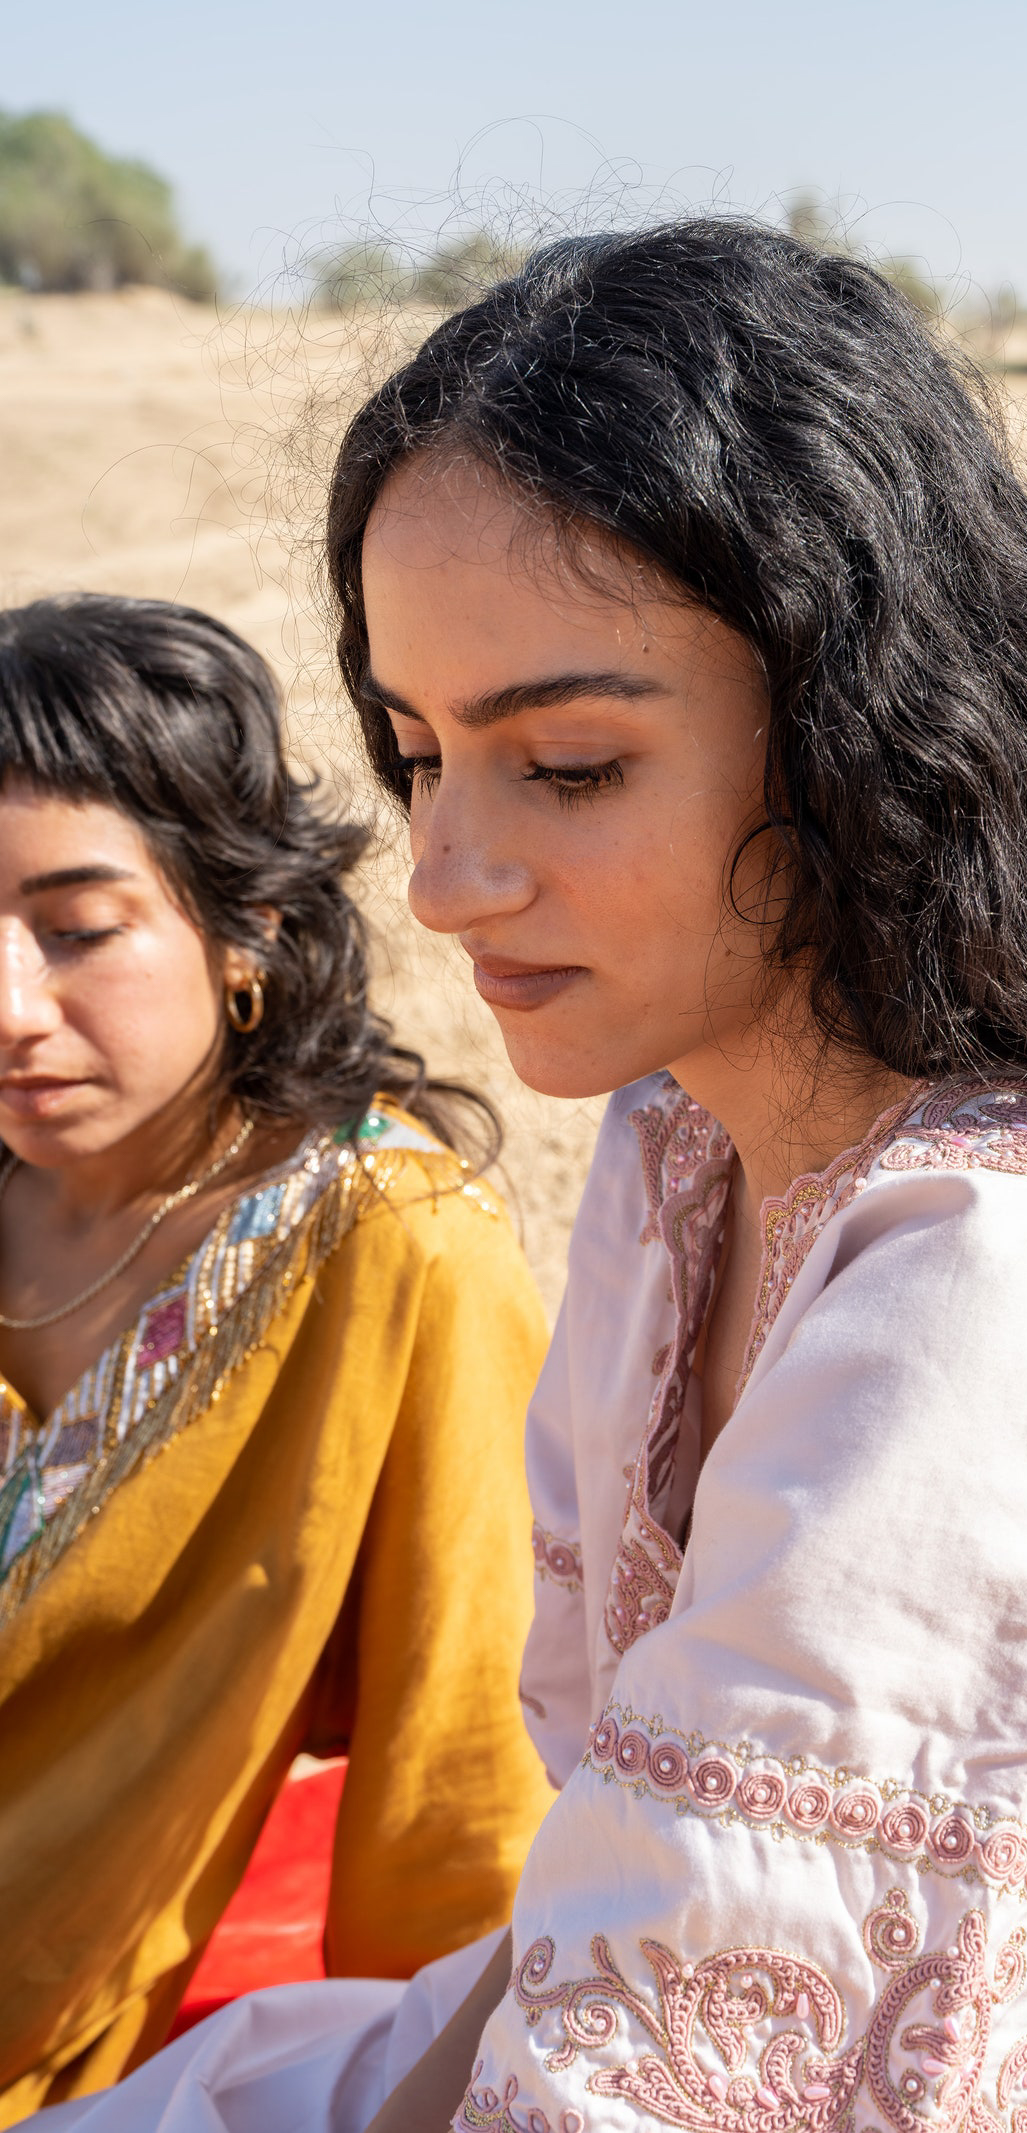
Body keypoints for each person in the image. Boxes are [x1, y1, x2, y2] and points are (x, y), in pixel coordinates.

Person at [33, 223, 1027, 2133]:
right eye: (417, 750)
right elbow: (578, 1934)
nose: (443, 877)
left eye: (572, 766)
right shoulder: (682, 1143)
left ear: (865, 725)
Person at [0, 596, 556, 2125]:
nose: (7, 1006)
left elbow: (466, 1777)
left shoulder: (394, 1244)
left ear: (242, 922)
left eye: (77, 927)